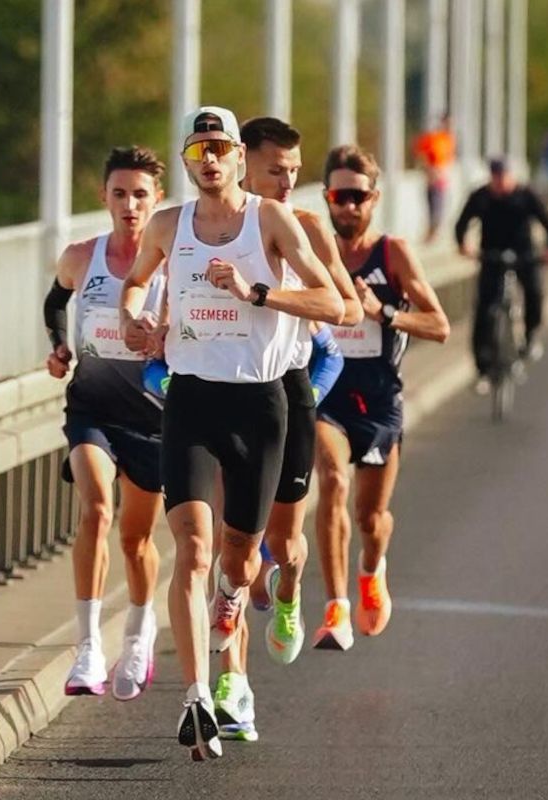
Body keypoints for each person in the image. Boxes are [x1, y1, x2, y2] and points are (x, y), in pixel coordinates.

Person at [119, 106, 343, 761]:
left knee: (243, 561)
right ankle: (195, 696)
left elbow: (332, 303)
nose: (209, 160)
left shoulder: (270, 222)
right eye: (198, 150)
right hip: (191, 401)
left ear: (238, 158)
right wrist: (136, 321)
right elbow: (135, 286)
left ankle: (239, 595)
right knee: (191, 546)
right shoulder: (168, 225)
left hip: (262, 405)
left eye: (219, 148)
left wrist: (257, 292)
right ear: (187, 160)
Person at [211, 116, 362, 743]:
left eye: (296, 171)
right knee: (230, 551)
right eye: (278, 170)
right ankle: (232, 686)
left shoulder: (305, 228)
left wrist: (266, 296)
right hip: (219, 390)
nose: (288, 181)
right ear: (244, 162)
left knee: (284, 543)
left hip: (288, 392)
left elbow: (347, 307)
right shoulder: (207, 225)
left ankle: (294, 588)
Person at [312, 145, 450, 652]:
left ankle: (372, 568)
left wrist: (383, 314)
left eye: (357, 197)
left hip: (379, 401)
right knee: (330, 480)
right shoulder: (316, 250)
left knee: (371, 519)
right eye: (337, 196)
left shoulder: (392, 253)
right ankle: (335, 608)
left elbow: (439, 325)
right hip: (327, 392)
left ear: (374, 198)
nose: (346, 207)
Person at [43, 147, 168, 700]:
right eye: (120, 193)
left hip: (154, 416)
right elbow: (54, 302)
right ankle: (89, 646)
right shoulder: (81, 257)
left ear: (156, 200)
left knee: (137, 538)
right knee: (96, 507)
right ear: (104, 197)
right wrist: (59, 345)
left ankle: (140, 632)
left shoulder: (173, 263)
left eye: (141, 194)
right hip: (92, 408)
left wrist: (164, 341)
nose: (130, 205)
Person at [454, 157, 548, 395]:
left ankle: (530, 334)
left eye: (504, 176)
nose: (500, 182)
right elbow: (462, 222)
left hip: (524, 254)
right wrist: (463, 244)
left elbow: (547, 220)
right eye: (496, 176)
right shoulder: (481, 197)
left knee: (535, 292)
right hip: (491, 256)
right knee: (484, 310)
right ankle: (483, 369)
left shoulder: (526, 195)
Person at [412, 113, 456, 242]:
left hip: (442, 178)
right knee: (432, 204)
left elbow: (448, 160)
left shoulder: (448, 140)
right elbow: (421, 155)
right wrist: (428, 171)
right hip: (432, 177)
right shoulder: (433, 138)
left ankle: (434, 232)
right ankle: (430, 232)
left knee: (440, 206)